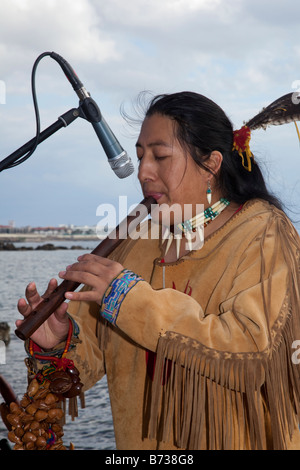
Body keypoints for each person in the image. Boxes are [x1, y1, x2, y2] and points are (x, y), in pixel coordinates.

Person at [16, 91, 300, 450]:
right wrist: (58, 340)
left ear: (211, 164)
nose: (143, 172)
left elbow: (252, 354)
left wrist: (128, 299)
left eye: (160, 156)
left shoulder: (263, 232)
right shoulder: (136, 240)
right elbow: (81, 369)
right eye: (140, 157)